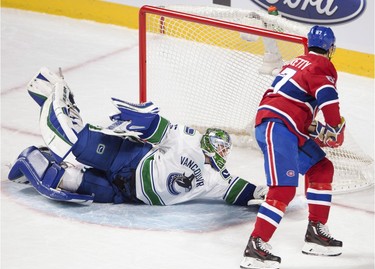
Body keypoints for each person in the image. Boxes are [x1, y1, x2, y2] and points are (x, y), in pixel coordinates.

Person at [8, 67, 268, 207]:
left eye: (225, 150)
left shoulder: (216, 180)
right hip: (127, 158)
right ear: (209, 142)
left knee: (69, 181)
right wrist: (147, 121)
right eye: (221, 147)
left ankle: (32, 160)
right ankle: (54, 93)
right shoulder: (190, 140)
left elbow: (240, 191)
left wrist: (262, 192)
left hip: (127, 194)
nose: (223, 153)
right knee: (78, 144)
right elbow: (163, 130)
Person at [240, 25, 346, 269]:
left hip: (284, 126)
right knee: (283, 190)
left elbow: (293, 103)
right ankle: (256, 247)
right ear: (331, 49)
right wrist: (334, 127)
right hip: (278, 128)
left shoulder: (297, 62)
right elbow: (328, 99)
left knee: (321, 168)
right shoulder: (322, 66)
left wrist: (318, 129)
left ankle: (316, 233)